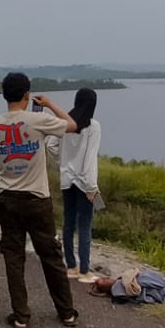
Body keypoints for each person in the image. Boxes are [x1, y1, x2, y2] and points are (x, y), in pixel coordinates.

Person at [0, 72, 80, 328]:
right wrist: (48, 104)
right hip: (37, 199)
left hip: (7, 199)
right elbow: (72, 125)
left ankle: (21, 316)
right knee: (50, 257)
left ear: (5, 95)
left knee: (13, 258)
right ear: (27, 95)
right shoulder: (38, 120)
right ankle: (67, 313)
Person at [52, 88, 103, 281]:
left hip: (67, 179)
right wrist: (91, 187)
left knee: (68, 223)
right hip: (84, 182)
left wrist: (63, 162)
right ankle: (84, 271)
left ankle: (71, 266)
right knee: (84, 226)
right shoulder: (93, 126)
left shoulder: (65, 123)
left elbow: (51, 145)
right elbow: (89, 160)